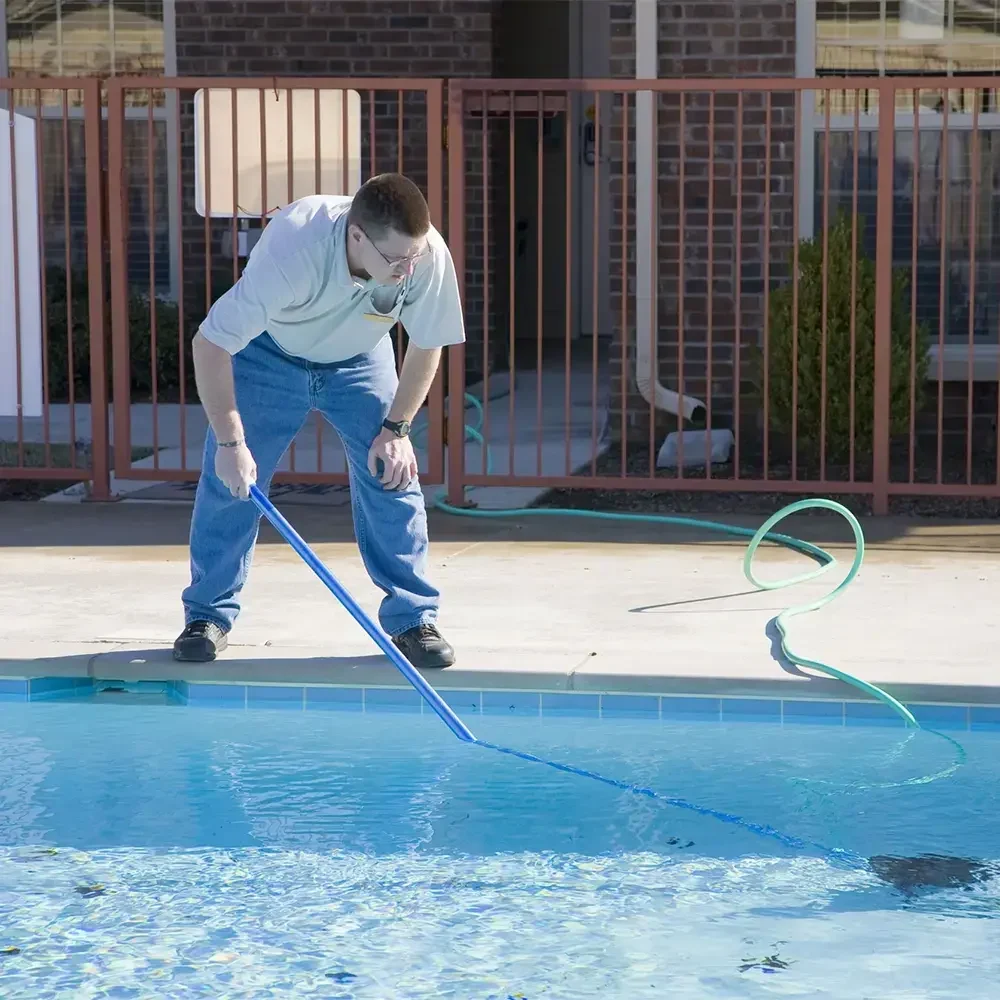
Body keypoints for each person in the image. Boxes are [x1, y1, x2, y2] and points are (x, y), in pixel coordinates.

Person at [172, 172, 464, 669]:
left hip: (360, 356)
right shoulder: (294, 246)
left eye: (413, 258)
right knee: (232, 481)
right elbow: (211, 342)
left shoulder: (425, 254)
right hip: (270, 353)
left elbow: (427, 341)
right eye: (396, 261)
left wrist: (397, 430)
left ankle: (414, 618)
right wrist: (230, 443)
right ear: (356, 236)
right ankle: (207, 616)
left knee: (393, 474)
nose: (407, 269)